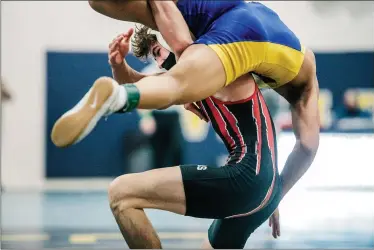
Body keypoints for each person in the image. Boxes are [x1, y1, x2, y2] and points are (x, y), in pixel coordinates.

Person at [52, 0, 320, 248]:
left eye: (158, 53)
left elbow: (175, 65)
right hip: (265, 188)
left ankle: (117, 98)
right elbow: (155, 86)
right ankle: (118, 97)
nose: (161, 62)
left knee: (121, 193)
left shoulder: (221, 61)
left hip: (247, 178)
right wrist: (118, 66)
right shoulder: (214, 71)